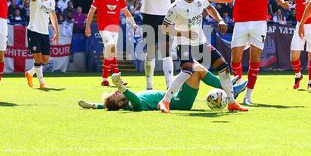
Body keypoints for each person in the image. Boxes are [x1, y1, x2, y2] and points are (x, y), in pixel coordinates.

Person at [204, 0, 290, 105]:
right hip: (241, 22)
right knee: (235, 59)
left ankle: (248, 96)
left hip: (259, 23)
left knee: (255, 59)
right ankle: (236, 88)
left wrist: (282, 2)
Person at [158, 0, 248, 113]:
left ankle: (231, 102)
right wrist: (183, 33)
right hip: (184, 43)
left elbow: (210, 8)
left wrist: (220, 20)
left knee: (223, 66)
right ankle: (165, 101)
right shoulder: (176, 7)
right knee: (187, 70)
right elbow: (165, 28)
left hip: (202, 42)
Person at [78, 68, 248, 111]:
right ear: (120, 102)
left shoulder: (122, 104)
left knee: (194, 69)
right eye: (116, 95)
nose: (117, 93)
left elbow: (108, 107)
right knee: (196, 71)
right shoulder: (134, 106)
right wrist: (121, 87)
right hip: (179, 102)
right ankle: (229, 88)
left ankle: (228, 87)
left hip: (176, 96)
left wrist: (93, 105)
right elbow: (135, 100)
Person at [85, 0, 138, 86]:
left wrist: (133, 23)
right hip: (104, 29)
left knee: (111, 53)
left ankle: (105, 79)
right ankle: (117, 77)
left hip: (115, 29)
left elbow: (126, 12)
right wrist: (88, 26)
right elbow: (91, 11)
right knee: (112, 47)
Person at [24, 0, 59, 89]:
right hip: (33, 31)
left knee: (45, 59)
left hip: (45, 32)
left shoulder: (52, 0)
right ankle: (42, 83)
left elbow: (53, 16)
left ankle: (30, 73)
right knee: (38, 59)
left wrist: (57, 31)